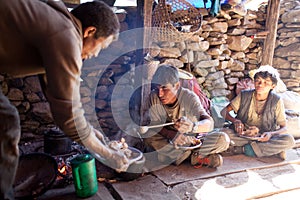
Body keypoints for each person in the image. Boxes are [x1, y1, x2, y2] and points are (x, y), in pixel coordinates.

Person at [0, 1, 129, 199]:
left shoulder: (58, 24)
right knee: (6, 122)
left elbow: (61, 100)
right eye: (100, 46)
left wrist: (90, 131)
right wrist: (108, 154)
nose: (95, 55)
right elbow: (69, 117)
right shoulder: (66, 37)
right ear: (89, 31)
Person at [143, 64, 230, 168]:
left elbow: (209, 123)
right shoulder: (154, 97)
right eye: (157, 88)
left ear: (177, 86)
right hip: (170, 141)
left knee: (223, 139)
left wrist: (193, 126)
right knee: (147, 137)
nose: (160, 93)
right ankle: (196, 157)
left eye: (164, 88)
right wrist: (172, 135)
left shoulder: (189, 97)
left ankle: (182, 156)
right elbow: (155, 125)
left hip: (193, 140)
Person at [220, 66, 295, 159]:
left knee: (289, 140)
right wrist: (235, 121)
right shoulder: (244, 95)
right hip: (243, 135)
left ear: (273, 86)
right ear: (254, 82)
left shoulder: (276, 100)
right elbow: (223, 112)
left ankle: (242, 150)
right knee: (223, 133)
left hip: (264, 137)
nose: (260, 85)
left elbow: (284, 128)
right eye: (258, 81)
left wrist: (271, 134)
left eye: (266, 82)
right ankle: (270, 151)